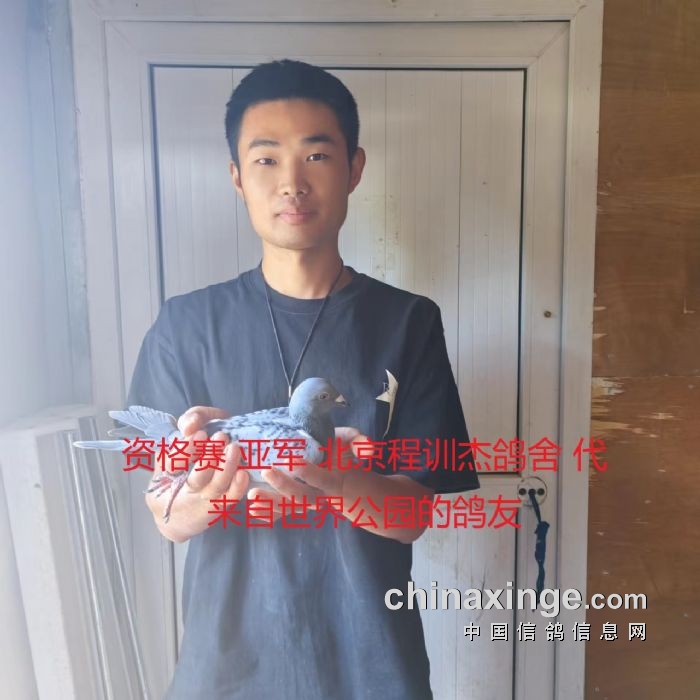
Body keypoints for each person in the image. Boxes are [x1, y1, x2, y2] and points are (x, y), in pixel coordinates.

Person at [132, 59, 480, 700]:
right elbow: (167, 514)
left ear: (354, 169)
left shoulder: (408, 322)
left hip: (374, 670)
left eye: (316, 156)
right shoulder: (185, 325)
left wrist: (338, 482)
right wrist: (208, 492)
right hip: (227, 671)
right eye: (266, 159)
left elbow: (412, 514)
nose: (291, 183)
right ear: (237, 178)